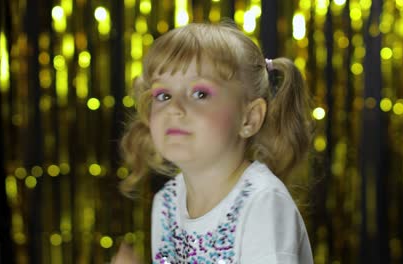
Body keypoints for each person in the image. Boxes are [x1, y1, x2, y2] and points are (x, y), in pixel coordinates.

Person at [115, 19, 314, 263]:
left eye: (200, 94)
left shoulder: (263, 203)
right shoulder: (166, 204)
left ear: (249, 118)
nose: (174, 108)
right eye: (164, 95)